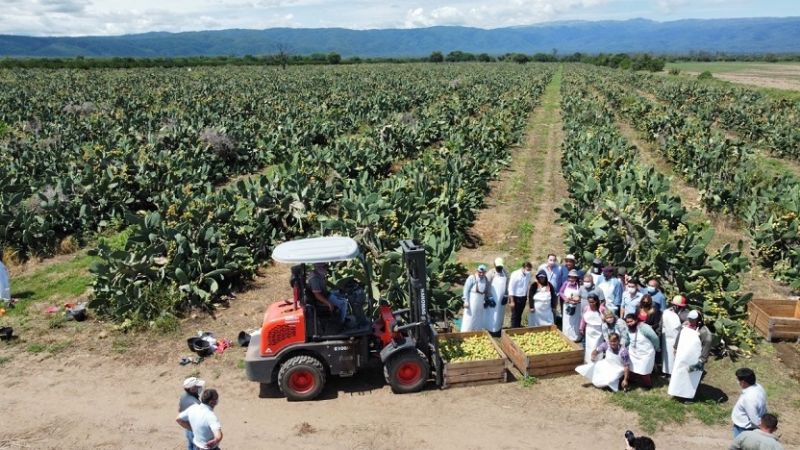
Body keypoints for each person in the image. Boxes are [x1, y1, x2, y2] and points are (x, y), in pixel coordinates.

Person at [668, 310, 713, 399]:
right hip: (682, 356)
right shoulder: (685, 325)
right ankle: (677, 391)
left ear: (698, 320)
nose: (690, 321)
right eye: (689, 319)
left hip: (695, 358)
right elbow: (679, 335)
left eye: (693, 320)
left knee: (693, 377)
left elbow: (706, 346)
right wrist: (676, 347)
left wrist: (701, 361)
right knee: (679, 373)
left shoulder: (705, 333)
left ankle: (689, 396)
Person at [624, 313, 660, 388]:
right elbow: (627, 339)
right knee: (632, 368)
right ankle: (632, 380)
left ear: (636, 320)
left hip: (646, 353)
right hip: (633, 352)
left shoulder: (644, 328)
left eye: (631, 321)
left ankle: (648, 385)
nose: (629, 324)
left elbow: (655, 338)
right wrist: (624, 346)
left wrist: (657, 348)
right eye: (627, 322)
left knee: (644, 371)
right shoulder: (628, 329)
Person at [731, 368, 768, 438]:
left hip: (744, 429)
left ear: (743, 382)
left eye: (738, 380)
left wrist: (763, 430)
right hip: (746, 427)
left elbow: (754, 418)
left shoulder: (749, 398)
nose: (737, 382)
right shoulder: (758, 387)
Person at [661, 295, 689, 377]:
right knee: (669, 357)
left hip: (672, 338)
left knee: (670, 357)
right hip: (670, 338)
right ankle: (669, 372)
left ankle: (669, 372)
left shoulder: (667, 312)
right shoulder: (671, 314)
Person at [461, 265, 493, 332]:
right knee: (469, 317)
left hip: (480, 301)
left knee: (478, 317)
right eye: (480, 272)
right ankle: (466, 332)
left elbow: (487, 290)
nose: (481, 274)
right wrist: (466, 301)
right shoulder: (472, 278)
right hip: (472, 300)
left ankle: (477, 331)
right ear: (477, 271)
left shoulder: (486, 279)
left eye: (483, 272)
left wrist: (488, 299)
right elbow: (466, 289)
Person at [179, 377, 205, 450]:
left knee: (190, 446)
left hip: (188, 429)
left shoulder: (184, 396)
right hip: (194, 430)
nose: (199, 387)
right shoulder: (194, 402)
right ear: (192, 389)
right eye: (197, 386)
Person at [485, 258, 509, 336]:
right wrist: (489, 297)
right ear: (495, 265)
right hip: (493, 298)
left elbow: (507, 284)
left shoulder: (505, 273)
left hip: (501, 299)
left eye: (501, 267)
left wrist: (506, 295)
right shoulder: (491, 273)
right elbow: (487, 285)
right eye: (498, 266)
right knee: (491, 314)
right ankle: (490, 330)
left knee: (500, 314)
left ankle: (498, 329)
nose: (499, 268)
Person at [579, 294, 606, 362]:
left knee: (597, 346)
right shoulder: (586, 308)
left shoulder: (602, 309)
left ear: (596, 301)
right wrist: (581, 328)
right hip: (589, 330)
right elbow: (583, 319)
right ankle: (589, 360)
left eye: (592, 302)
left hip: (599, 331)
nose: (591, 304)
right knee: (589, 346)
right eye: (589, 302)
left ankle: (598, 360)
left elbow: (608, 317)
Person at [559, 269, 582, 341]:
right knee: (567, 321)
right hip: (567, 305)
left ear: (576, 278)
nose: (571, 279)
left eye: (573, 277)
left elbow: (581, 295)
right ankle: (567, 337)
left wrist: (578, 299)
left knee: (575, 322)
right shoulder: (566, 283)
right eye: (570, 277)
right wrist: (565, 298)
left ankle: (576, 337)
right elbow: (561, 292)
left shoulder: (579, 285)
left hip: (576, 306)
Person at [508, 262, 533, 328]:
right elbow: (511, 288)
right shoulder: (515, 274)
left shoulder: (528, 274)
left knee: (520, 313)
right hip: (515, 297)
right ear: (523, 268)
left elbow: (527, 284)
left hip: (523, 297)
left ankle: (518, 327)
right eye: (527, 269)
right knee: (515, 315)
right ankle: (513, 329)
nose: (528, 271)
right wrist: (512, 301)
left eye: (530, 270)